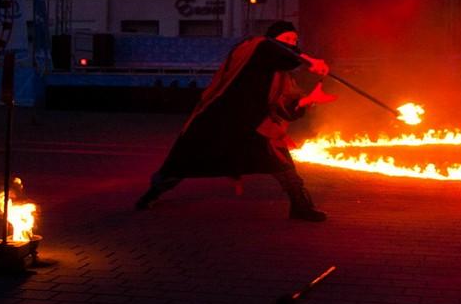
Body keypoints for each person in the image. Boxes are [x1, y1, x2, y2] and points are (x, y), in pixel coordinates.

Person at [135, 20, 337, 220]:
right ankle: (151, 195)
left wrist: (309, 99)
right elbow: (278, 51)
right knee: (184, 160)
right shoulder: (255, 46)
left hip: (255, 125)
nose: (291, 43)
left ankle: (300, 206)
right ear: (272, 37)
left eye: (294, 39)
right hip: (220, 120)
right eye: (287, 38)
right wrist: (310, 61)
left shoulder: (281, 74)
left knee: (282, 164)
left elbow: (283, 107)